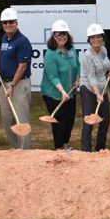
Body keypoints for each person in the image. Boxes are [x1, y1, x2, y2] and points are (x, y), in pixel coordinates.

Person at [0, 8, 32, 150]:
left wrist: (12, 86)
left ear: (16, 23)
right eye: (5, 22)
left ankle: (24, 150)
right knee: (7, 119)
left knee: (21, 119)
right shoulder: (4, 38)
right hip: (4, 83)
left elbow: (22, 66)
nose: (8, 25)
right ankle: (15, 149)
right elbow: (5, 52)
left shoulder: (22, 41)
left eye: (11, 22)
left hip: (18, 84)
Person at [41, 19, 80, 151]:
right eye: (59, 34)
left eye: (64, 34)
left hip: (71, 92)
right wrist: (62, 91)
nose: (62, 37)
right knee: (58, 121)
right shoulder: (50, 54)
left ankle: (65, 145)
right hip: (54, 94)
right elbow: (52, 76)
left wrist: (77, 78)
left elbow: (77, 65)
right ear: (54, 36)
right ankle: (58, 148)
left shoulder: (72, 50)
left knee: (69, 120)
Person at [80, 23, 110, 152]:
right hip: (89, 89)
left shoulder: (104, 50)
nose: (96, 40)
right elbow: (91, 77)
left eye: (98, 37)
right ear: (89, 40)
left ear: (102, 38)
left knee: (105, 120)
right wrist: (97, 93)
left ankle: (100, 148)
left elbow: (108, 64)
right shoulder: (87, 56)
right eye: (92, 37)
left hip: (103, 88)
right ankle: (86, 151)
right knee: (89, 121)